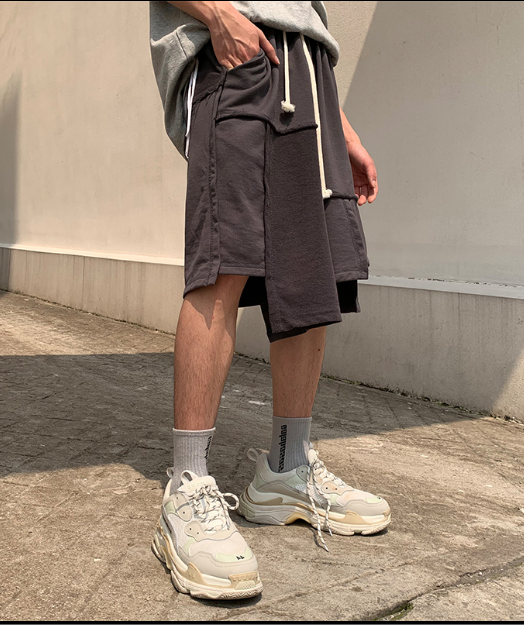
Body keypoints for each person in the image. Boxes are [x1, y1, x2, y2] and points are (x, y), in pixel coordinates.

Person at [149, 1, 390, 600]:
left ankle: (288, 468)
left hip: (309, 74)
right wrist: (216, 14)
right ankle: (187, 486)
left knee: (312, 270)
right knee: (221, 266)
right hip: (236, 56)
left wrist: (341, 126)